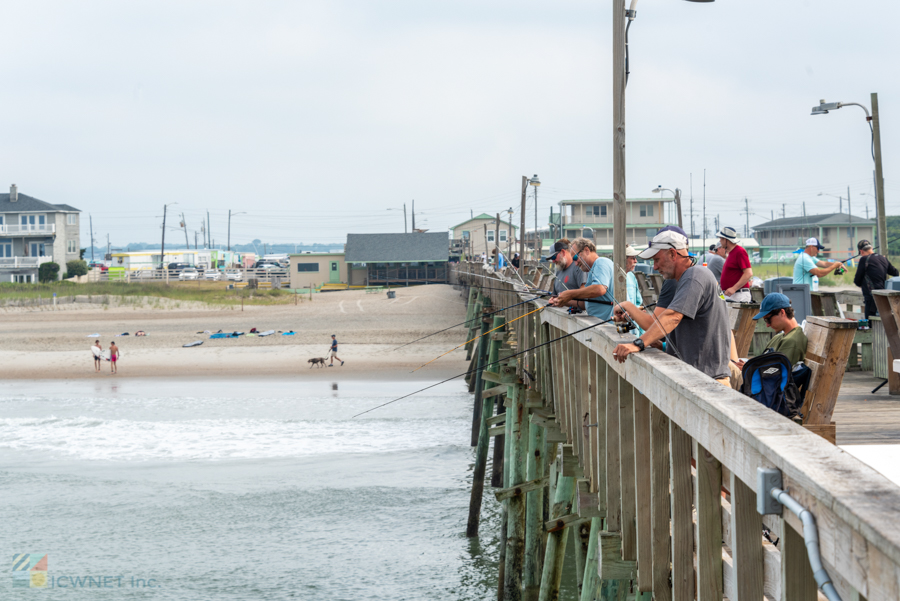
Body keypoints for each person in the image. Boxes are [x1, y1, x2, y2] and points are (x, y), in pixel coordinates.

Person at [612, 229, 731, 385]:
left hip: (708, 382)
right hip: (703, 377)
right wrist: (662, 345)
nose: (654, 267)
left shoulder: (694, 276)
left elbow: (672, 316)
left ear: (673, 254)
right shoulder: (692, 277)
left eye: (657, 259)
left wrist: (638, 344)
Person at [548, 238, 614, 320]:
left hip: (609, 327)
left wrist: (571, 294)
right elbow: (584, 304)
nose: (575, 264)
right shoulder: (591, 271)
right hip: (599, 326)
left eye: (575, 258)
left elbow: (600, 289)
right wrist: (562, 301)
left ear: (586, 250)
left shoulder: (601, 262)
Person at [751, 293, 808, 366]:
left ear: (782, 312)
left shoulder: (792, 341)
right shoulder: (778, 337)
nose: (767, 325)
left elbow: (776, 374)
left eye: (768, 319)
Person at [854, 239, 899, 320]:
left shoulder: (864, 259)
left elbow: (857, 279)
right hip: (882, 294)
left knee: (870, 321)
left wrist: (860, 285)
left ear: (861, 251)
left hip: (871, 295)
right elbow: (895, 273)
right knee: (883, 319)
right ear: (871, 248)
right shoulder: (883, 258)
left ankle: (870, 330)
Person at [716, 226, 753, 302]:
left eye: (721, 239)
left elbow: (748, 273)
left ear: (726, 240)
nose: (720, 241)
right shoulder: (731, 253)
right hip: (731, 295)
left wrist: (734, 288)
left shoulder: (740, 252)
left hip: (738, 295)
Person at [547, 240, 586, 304]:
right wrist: (553, 300)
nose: (553, 261)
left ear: (563, 252)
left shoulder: (580, 267)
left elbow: (584, 294)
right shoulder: (558, 272)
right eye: (552, 258)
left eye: (554, 257)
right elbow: (555, 296)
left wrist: (563, 300)